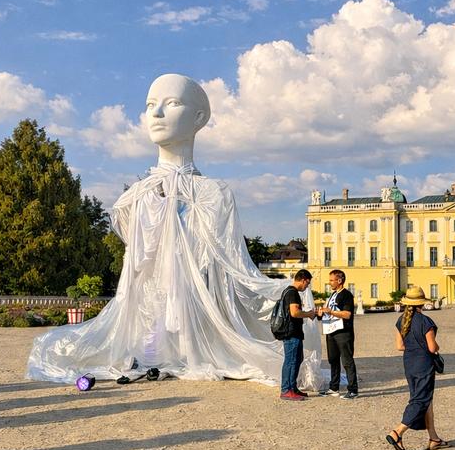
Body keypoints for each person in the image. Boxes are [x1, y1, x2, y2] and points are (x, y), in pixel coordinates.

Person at [27, 74, 288, 384]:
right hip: (151, 299)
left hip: (196, 302)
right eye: (150, 105)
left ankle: (190, 351)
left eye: (172, 103)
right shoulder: (135, 198)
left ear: (199, 117)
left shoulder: (213, 194)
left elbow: (230, 262)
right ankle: (153, 355)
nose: (157, 113)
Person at [386, 285, 447, 450]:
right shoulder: (426, 322)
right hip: (424, 365)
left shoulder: (401, 320)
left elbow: (400, 346)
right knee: (420, 400)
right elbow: (432, 347)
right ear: (422, 303)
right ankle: (397, 432)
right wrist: (437, 346)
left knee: (425, 399)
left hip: (409, 364)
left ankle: (434, 439)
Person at [318, 269, 358, 399]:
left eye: (331, 280)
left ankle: (353, 390)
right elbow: (329, 311)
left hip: (343, 332)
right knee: (333, 360)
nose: (330, 283)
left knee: (347, 360)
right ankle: (334, 387)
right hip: (331, 331)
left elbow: (347, 314)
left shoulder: (346, 295)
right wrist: (322, 312)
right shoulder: (332, 295)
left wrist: (331, 312)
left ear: (339, 281)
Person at [281, 269, 317, 401]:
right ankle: (286, 390)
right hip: (291, 332)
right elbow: (294, 313)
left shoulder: (289, 291)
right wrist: (309, 314)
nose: (307, 286)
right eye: (307, 283)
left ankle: (292, 388)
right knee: (291, 361)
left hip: (293, 332)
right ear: (303, 280)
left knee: (296, 360)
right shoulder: (292, 293)